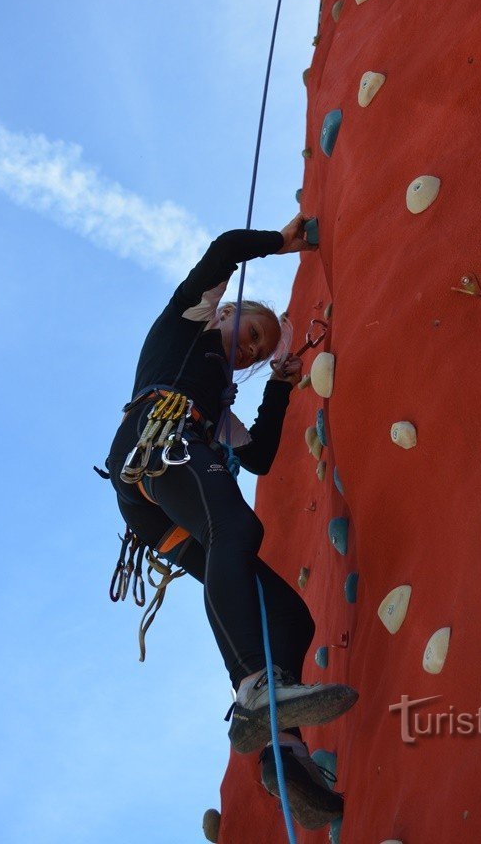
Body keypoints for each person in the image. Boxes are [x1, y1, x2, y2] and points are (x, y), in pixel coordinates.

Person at [104, 213, 357, 830]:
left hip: (160, 492)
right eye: (251, 331)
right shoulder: (187, 322)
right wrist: (283, 242)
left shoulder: (219, 407)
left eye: (260, 348)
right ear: (223, 314)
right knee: (237, 533)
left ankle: (282, 746)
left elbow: (261, 457)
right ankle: (256, 689)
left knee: (291, 614)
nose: (252, 346)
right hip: (156, 443)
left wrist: (278, 386)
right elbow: (223, 251)